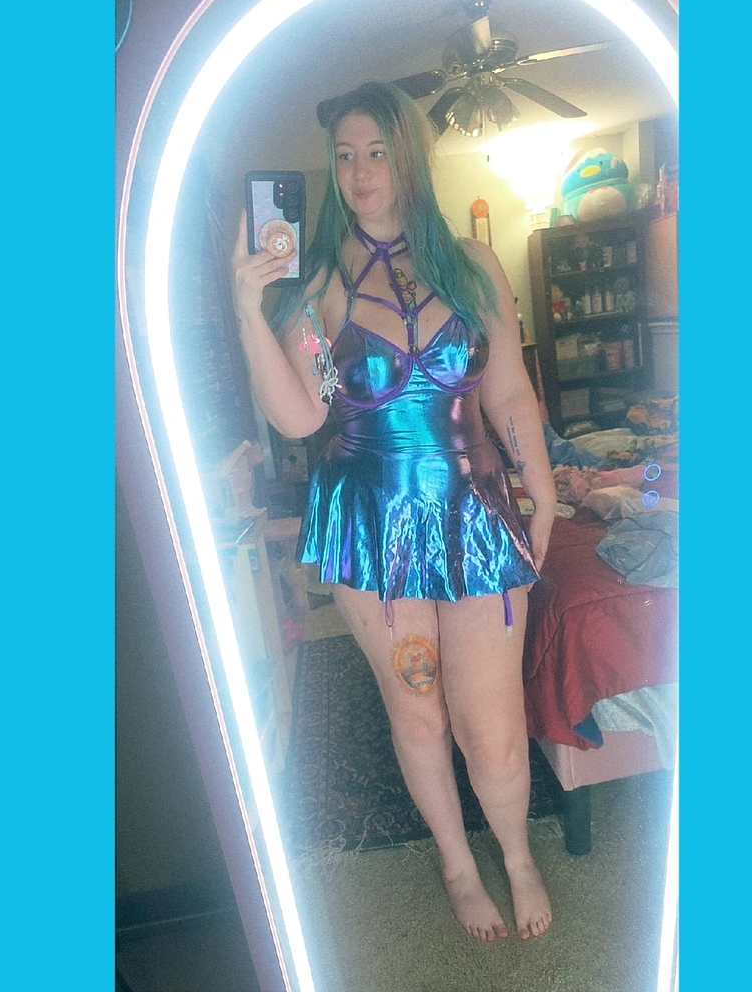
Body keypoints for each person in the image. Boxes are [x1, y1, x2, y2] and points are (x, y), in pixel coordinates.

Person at [231, 81, 557, 942]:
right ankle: (457, 865)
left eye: (377, 151)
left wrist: (546, 493)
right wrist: (249, 311)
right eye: (344, 155)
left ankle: (517, 854)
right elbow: (299, 416)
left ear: (411, 155)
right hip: (371, 525)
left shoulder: (473, 265)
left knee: (493, 726)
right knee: (418, 711)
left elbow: (509, 394)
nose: (360, 171)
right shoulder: (314, 285)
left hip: (474, 514)